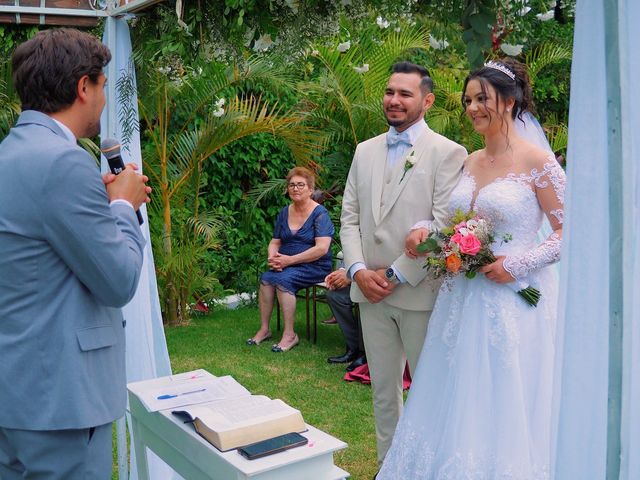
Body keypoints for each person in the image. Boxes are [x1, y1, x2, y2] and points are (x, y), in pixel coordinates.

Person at [377, 59, 566, 478]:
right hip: (462, 298)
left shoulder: (537, 161)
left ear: (511, 100)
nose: (474, 107)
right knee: (457, 391)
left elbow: (569, 232)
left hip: (514, 302)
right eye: (468, 100)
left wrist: (516, 264)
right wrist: (426, 229)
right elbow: (453, 222)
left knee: (503, 395)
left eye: (483, 98)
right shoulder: (471, 160)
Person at [0, 29, 150, 479]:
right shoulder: (65, 164)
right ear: (84, 86)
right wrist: (123, 206)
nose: (104, 99)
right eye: (103, 85)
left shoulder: (11, 154)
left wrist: (99, 210)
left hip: (18, 389)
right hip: (60, 400)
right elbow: (119, 280)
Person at [340, 61, 467, 465]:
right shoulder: (364, 150)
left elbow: (445, 224)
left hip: (418, 292)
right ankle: (388, 468)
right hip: (368, 293)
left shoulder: (448, 152)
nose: (393, 100)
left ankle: (428, 470)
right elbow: (350, 218)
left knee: (429, 391)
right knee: (382, 392)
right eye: (390, 91)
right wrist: (358, 270)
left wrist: (393, 275)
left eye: (405, 94)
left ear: (426, 100)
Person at [247, 166, 334, 352]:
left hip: (315, 265)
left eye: (301, 185)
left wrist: (289, 261)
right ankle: (264, 329)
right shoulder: (284, 212)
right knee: (266, 278)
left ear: (310, 190)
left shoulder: (320, 214)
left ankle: (290, 335)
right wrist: (273, 258)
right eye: (292, 185)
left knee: (283, 280)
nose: (295, 188)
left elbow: (321, 249)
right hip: (286, 263)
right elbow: (274, 242)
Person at [324, 267, 366, 372]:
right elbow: (349, 258)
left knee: (364, 302)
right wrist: (338, 275)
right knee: (335, 296)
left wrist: (350, 276)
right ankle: (353, 347)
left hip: (374, 282)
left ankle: (364, 353)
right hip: (356, 282)